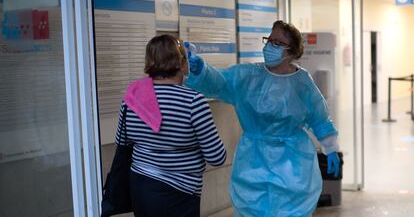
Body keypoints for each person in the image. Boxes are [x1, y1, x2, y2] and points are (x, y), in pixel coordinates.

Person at [185, 20, 340, 216]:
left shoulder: (302, 82)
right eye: (269, 40)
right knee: (252, 208)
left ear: (291, 52)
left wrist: (331, 147)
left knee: (290, 209)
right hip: (253, 159)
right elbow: (220, 82)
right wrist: (202, 70)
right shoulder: (248, 75)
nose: (269, 46)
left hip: (292, 162)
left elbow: (319, 115)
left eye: (277, 43)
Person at [115, 34, 227, 217]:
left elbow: (122, 141)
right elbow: (217, 157)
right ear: (183, 64)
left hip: (140, 187)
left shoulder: (131, 99)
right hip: (179, 193)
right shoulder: (193, 102)